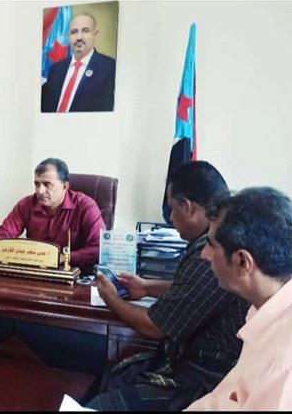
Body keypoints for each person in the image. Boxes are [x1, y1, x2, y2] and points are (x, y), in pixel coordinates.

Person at [87, 161, 248, 411]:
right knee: (115, 373)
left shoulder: (214, 250)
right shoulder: (219, 240)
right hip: (191, 363)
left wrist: (112, 299)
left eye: (172, 209)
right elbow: (194, 290)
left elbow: (155, 327)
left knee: (100, 403)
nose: (170, 219)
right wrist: (147, 287)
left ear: (188, 207)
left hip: (205, 380)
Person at [185, 187, 292, 410]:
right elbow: (227, 399)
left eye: (211, 245)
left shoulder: (288, 369)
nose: (204, 254)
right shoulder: (279, 306)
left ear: (243, 262)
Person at [0, 158, 104, 270]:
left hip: (73, 272)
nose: (40, 191)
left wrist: (63, 258)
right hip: (35, 270)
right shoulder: (26, 204)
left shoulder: (86, 206)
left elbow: (100, 249)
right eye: (37, 184)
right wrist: (19, 253)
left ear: (65, 186)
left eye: (47, 184)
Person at [41, 13, 116, 113]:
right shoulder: (55, 69)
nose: (79, 37)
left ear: (95, 34)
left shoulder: (110, 68)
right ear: (69, 36)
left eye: (85, 31)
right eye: (74, 32)